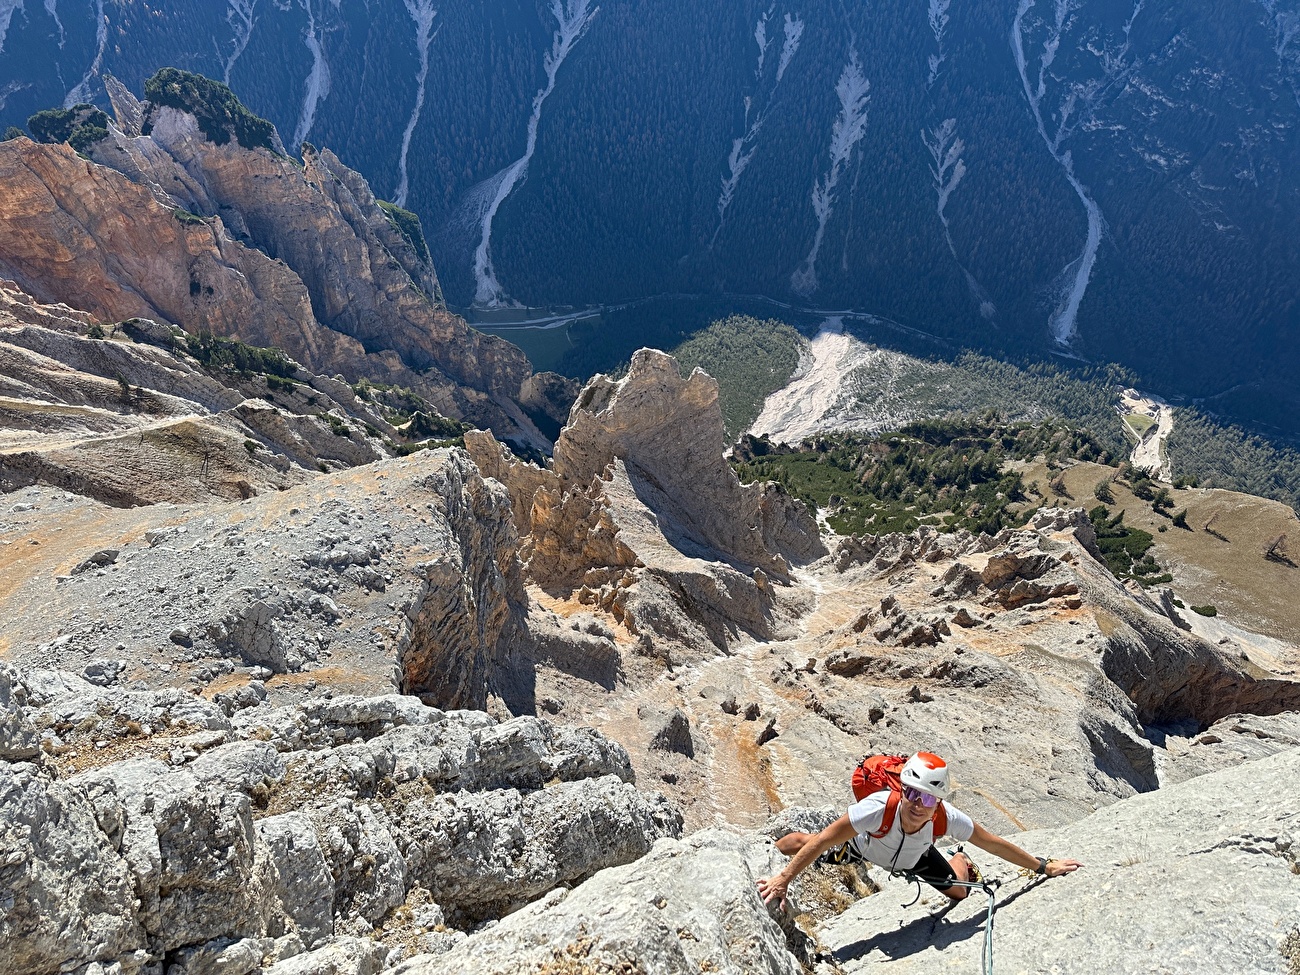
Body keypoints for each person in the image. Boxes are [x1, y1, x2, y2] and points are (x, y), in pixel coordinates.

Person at [757, 752, 1081, 910]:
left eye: (927, 797)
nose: (916, 803)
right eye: (911, 792)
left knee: (958, 892)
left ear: (938, 800)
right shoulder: (878, 808)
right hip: (863, 847)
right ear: (902, 788)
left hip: (916, 859)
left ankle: (961, 860)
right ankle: (764, 846)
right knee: (803, 842)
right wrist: (782, 879)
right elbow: (825, 838)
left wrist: (1043, 866)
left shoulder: (947, 818)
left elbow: (994, 844)